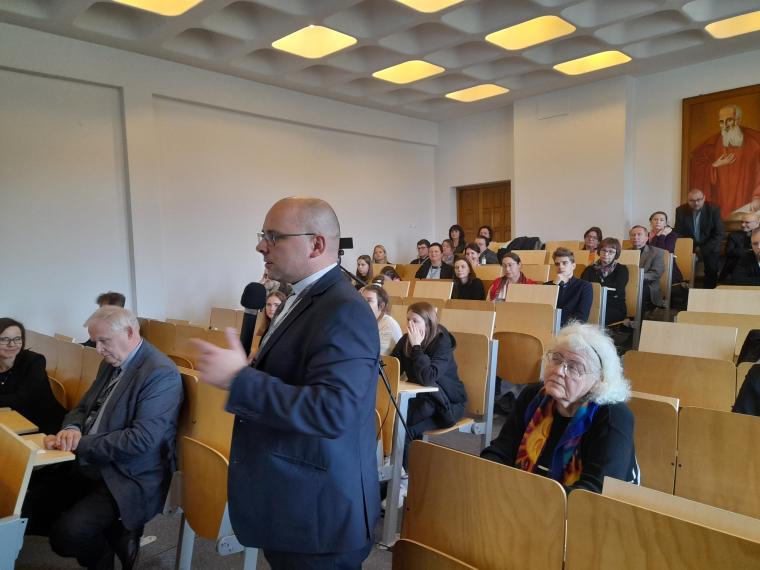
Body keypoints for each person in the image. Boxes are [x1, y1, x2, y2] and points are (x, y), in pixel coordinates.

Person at [191, 197, 380, 569]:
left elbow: (333, 411)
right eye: (263, 235)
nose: (261, 246)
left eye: (274, 236)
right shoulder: (301, 296)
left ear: (317, 245)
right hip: (293, 500)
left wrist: (240, 379)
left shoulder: (345, 310)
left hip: (321, 517)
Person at [24, 306, 182, 570]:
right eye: (95, 341)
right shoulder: (111, 361)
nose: (98, 349)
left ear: (129, 332)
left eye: (103, 341)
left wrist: (79, 443)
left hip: (127, 474)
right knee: (27, 512)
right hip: (90, 460)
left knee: (67, 536)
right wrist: (72, 429)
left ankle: (104, 558)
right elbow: (82, 408)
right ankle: (111, 538)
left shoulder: (160, 372)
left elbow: (141, 440)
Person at [481, 323, 638, 493]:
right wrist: (485, 473)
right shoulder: (533, 396)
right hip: (526, 496)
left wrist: (531, 498)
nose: (558, 371)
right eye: (556, 359)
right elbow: (502, 450)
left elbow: (595, 492)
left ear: (599, 380)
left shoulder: (613, 416)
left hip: (578, 506)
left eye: (574, 366)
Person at [391, 302, 467, 465]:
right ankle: (397, 469)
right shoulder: (406, 340)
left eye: (415, 321)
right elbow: (392, 366)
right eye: (408, 319)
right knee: (391, 421)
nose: (410, 325)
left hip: (445, 405)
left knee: (403, 429)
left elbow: (428, 378)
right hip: (422, 400)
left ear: (428, 323)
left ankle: (403, 476)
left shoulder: (442, 343)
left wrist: (417, 347)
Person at [689, 104, 760, 215]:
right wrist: (714, 165)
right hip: (721, 202)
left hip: (746, 203)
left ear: (738, 120)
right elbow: (698, 167)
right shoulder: (712, 145)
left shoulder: (754, 144)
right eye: (721, 122)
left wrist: (757, 197)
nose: (725, 125)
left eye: (729, 120)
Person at [0, 317, 65, 435]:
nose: (12, 344)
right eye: (4, 339)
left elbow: (23, 399)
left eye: (17, 339)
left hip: (45, 425)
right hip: (11, 420)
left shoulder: (34, 361)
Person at [675, 188, 724, 289]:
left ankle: (708, 294)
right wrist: (688, 248)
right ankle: (685, 294)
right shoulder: (680, 210)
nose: (696, 203)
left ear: (704, 198)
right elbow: (678, 232)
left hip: (710, 246)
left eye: (699, 200)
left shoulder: (713, 210)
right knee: (682, 269)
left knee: (711, 270)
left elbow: (719, 233)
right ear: (687, 200)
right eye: (692, 200)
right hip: (689, 246)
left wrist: (702, 250)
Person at [581, 238, 629, 326]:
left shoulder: (621, 270)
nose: (606, 254)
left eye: (611, 252)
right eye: (603, 250)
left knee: (593, 315)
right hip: (591, 304)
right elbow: (583, 288)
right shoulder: (589, 269)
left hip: (614, 307)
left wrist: (597, 288)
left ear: (616, 254)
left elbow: (618, 290)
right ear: (599, 251)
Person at [547, 248, 592, 326]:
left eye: (564, 263)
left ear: (573, 266)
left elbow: (582, 317)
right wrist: (555, 285)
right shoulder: (547, 286)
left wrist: (559, 325)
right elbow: (544, 312)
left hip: (571, 328)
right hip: (547, 326)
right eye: (557, 264)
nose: (560, 267)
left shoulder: (584, 286)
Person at [629, 225, 664, 311]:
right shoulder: (625, 252)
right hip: (627, 283)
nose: (635, 237)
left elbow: (655, 274)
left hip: (647, 286)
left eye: (639, 234)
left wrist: (636, 277)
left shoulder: (656, 252)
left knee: (635, 291)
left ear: (646, 238)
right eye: (633, 235)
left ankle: (635, 318)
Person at [362, 284, 402, 356]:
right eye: (362, 300)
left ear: (381, 306)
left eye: (369, 300)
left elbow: (378, 356)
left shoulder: (388, 325)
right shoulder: (363, 321)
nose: (362, 304)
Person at [720, 212, 760, 282]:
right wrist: (750, 251)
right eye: (742, 222)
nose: (743, 225)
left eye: (747, 222)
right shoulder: (734, 235)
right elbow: (729, 252)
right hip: (737, 266)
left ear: (757, 223)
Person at [648, 211, 683, 283]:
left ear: (666, 223)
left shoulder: (672, 235)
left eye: (661, 220)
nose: (658, 222)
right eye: (655, 219)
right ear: (651, 222)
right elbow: (649, 251)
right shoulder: (646, 235)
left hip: (667, 266)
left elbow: (664, 252)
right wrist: (657, 236)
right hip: (650, 265)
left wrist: (662, 235)